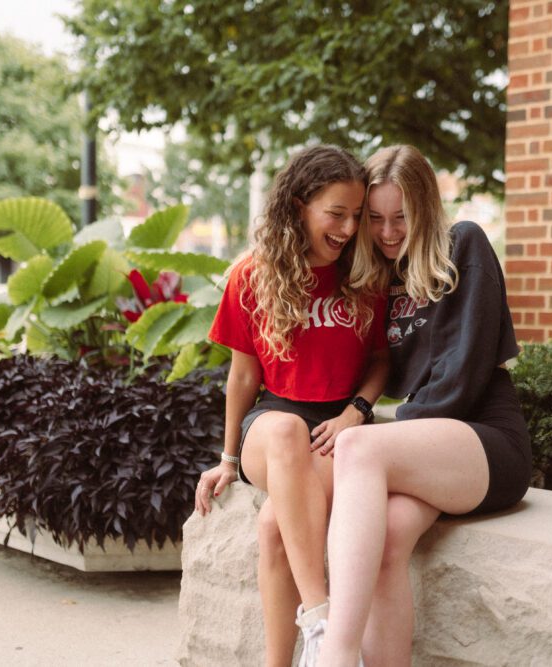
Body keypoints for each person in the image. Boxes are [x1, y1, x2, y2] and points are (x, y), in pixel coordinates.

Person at [316, 145, 532, 666]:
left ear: (425, 209)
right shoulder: (383, 276)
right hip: (435, 448)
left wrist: (378, 433)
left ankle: (335, 655)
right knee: (388, 544)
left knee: (360, 450)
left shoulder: (465, 244)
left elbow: (463, 375)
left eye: (401, 218)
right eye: (375, 219)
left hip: (486, 439)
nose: (388, 232)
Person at [194, 144, 389, 667]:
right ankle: (322, 620)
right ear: (300, 204)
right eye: (336, 213)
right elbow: (242, 376)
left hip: (336, 427)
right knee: (282, 432)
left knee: (273, 528)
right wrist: (228, 459)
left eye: (355, 216)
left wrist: (357, 411)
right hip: (273, 421)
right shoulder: (251, 276)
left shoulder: (365, 277)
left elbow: (381, 362)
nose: (348, 229)